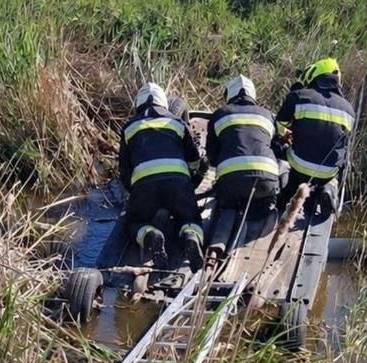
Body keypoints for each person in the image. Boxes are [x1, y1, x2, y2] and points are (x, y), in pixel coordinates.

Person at [118, 82, 205, 272]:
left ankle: (151, 236)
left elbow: (124, 171)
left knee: (135, 223)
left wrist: (136, 194)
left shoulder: (129, 128)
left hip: (145, 186)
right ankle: (190, 236)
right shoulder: (177, 122)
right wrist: (190, 183)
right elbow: (194, 159)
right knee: (190, 218)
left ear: (138, 104)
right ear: (164, 103)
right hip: (178, 182)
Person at [275, 58, 355, 215]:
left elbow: (278, 126)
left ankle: (286, 190)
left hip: (299, 164)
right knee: (332, 170)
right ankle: (328, 188)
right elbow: (343, 143)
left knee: (286, 161)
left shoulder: (299, 96)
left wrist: (286, 135)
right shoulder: (349, 110)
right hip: (328, 170)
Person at [205, 75, 281, 214]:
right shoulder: (267, 115)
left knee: (227, 209)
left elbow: (213, 158)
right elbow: (276, 150)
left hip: (230, 183)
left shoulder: (220, 114)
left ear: (228, 95)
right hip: (265, 182)